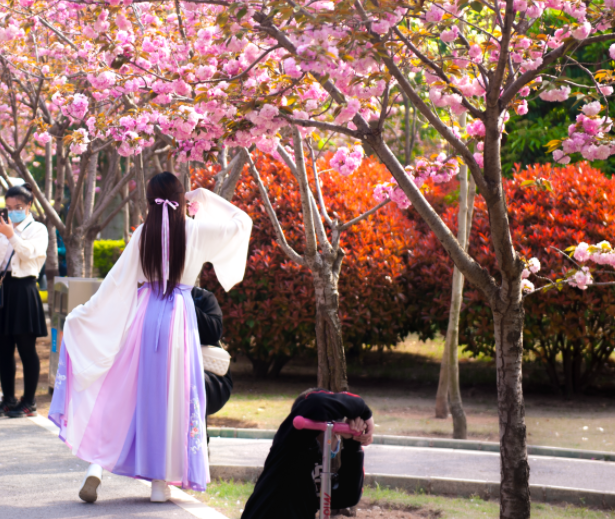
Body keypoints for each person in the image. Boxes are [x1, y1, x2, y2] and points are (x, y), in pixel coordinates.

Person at [49, 173, 251, 503]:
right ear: (182, 199)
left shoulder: (144, 233)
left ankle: (96, 465)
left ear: (148, 201)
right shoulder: (196, 230)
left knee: (124, 390)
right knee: (173, 398)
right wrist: (207, 198)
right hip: (179, 321)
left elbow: (116, 282)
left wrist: (81, 316)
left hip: (145, 317)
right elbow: (242, 222)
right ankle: (160, 483)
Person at [241, 389, 375, 519]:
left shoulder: (324, 465)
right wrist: (364, 411)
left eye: (338, 435)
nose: (336, 439)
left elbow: (346, 497)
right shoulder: (290, 444)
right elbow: (316, 403)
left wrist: (352, 443)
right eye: (334, 433)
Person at [0, 184, 48, 419]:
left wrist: (11, 235)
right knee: (3, 349)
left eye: (18, 207)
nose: (13, 211)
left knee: (26, 349)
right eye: (9, 207)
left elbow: (30, 254)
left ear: (29, 206)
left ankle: (29, 401)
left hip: (24, 290)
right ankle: (8, 399)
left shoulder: (38, 229)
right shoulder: (3, 228)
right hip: (3, 289)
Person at [192, 286, 233, 418]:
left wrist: (183, 303)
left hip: (204, 376)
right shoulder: (145, 298)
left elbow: (213, 333)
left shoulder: (201, 297)